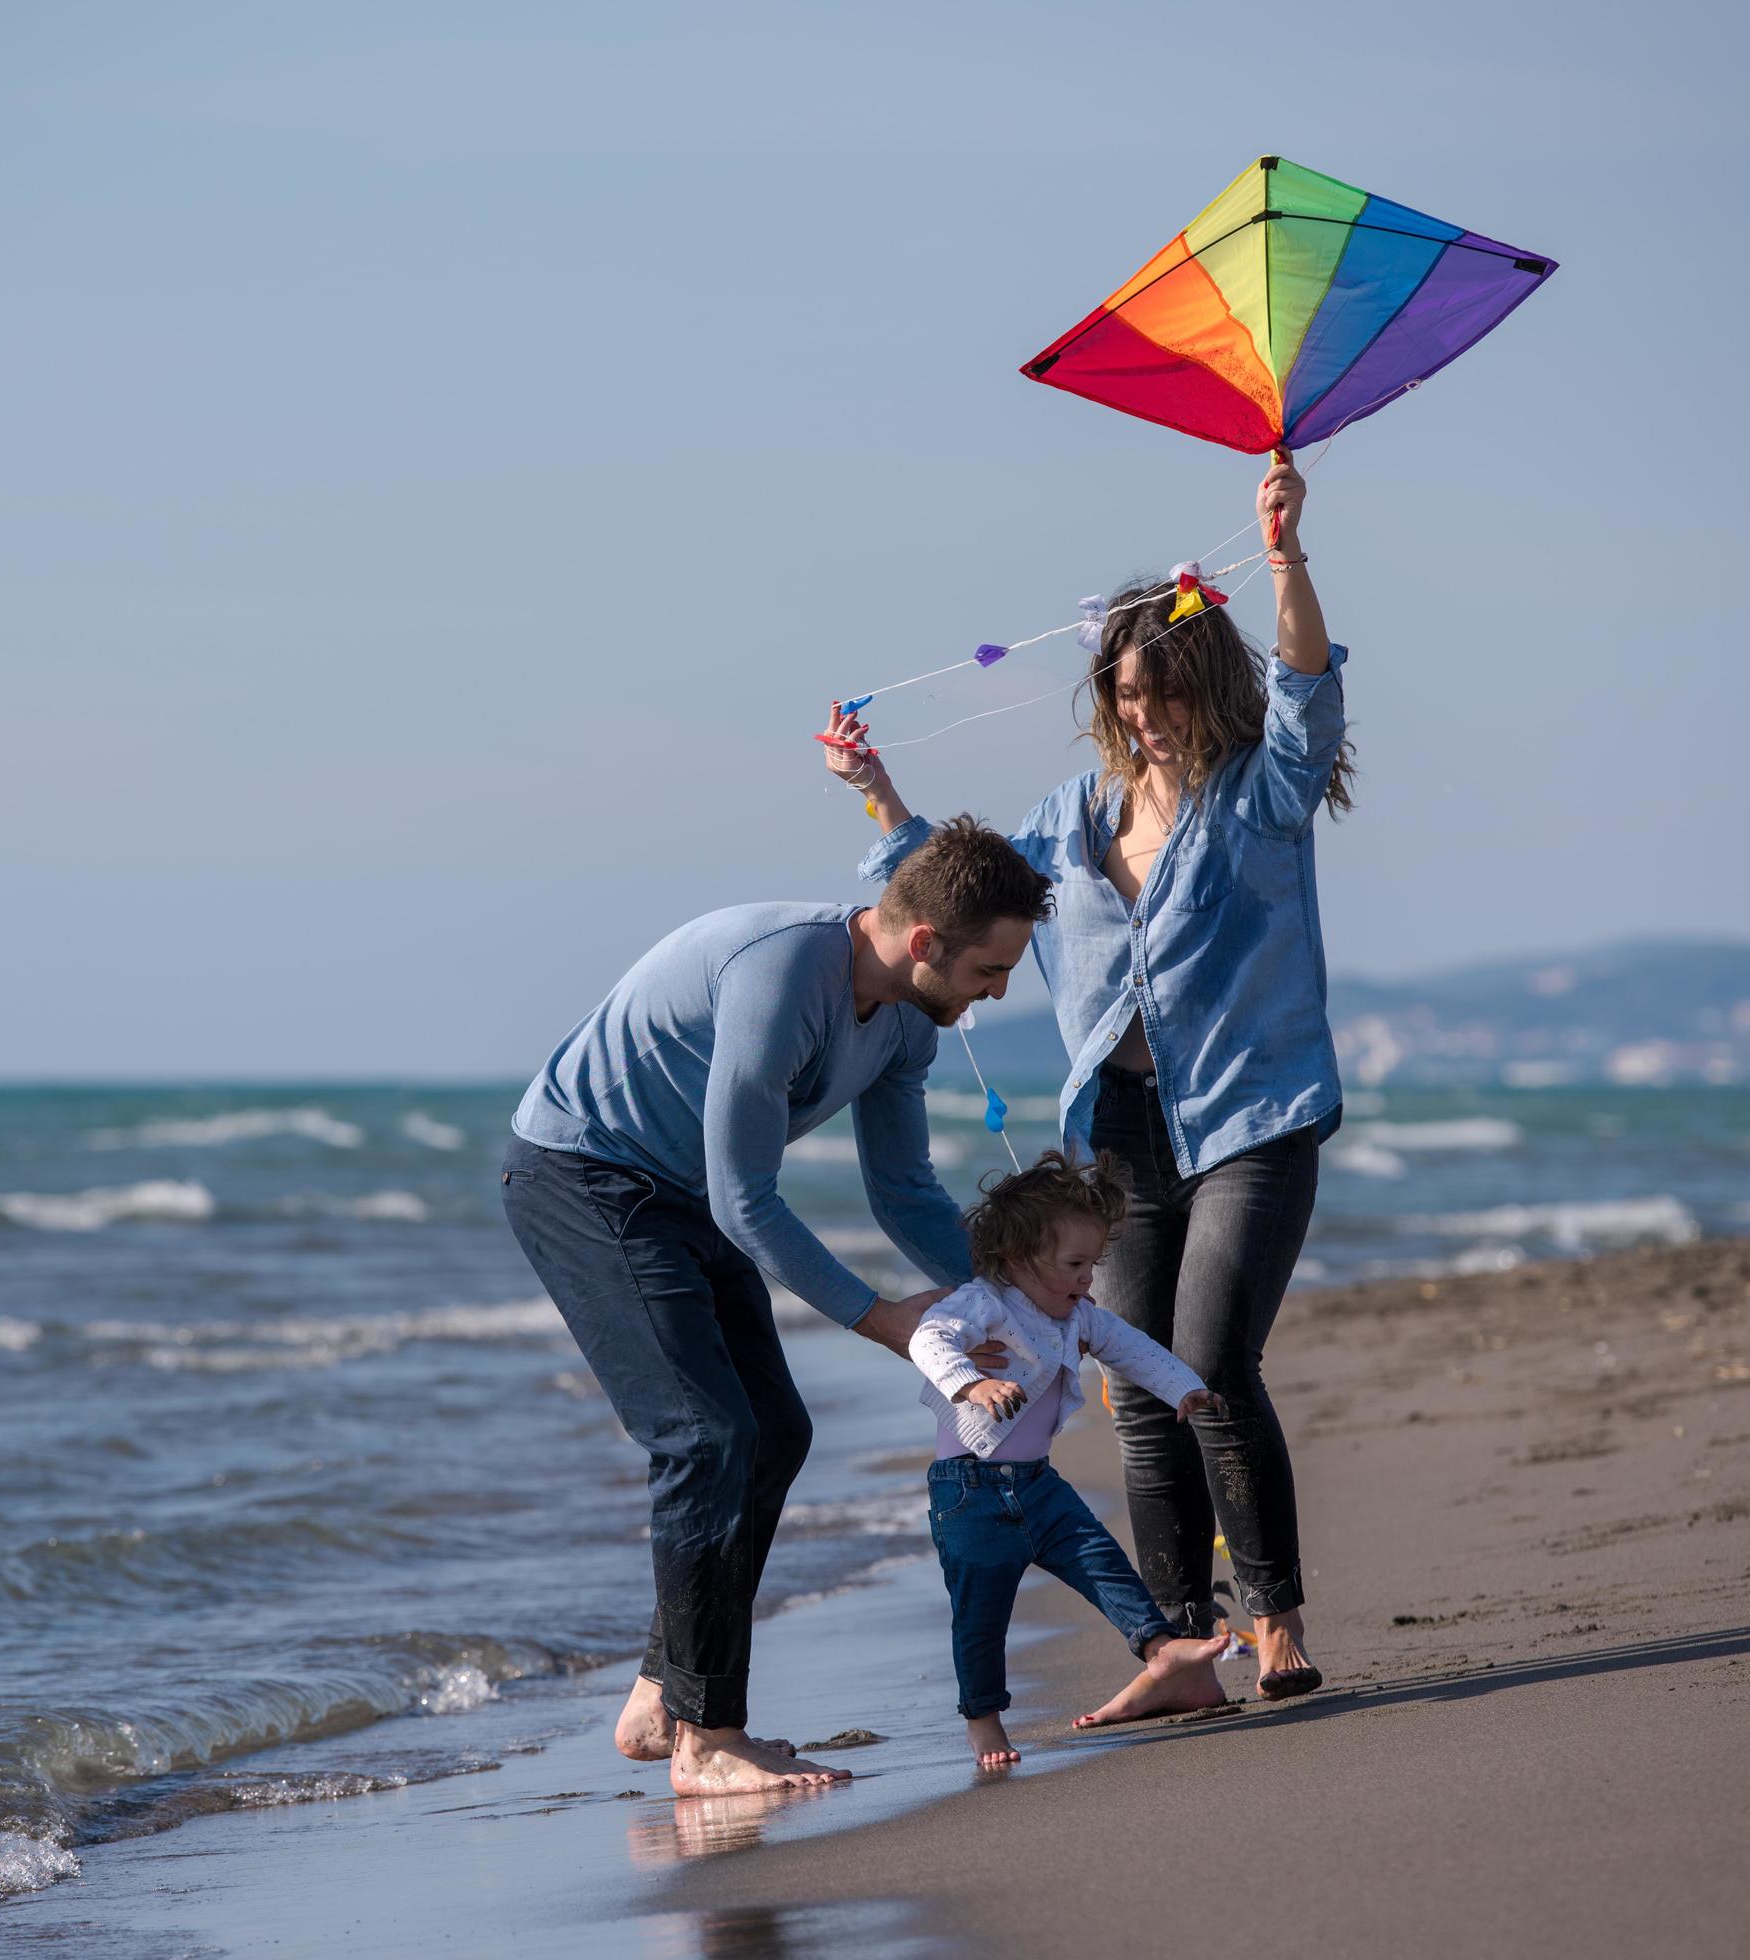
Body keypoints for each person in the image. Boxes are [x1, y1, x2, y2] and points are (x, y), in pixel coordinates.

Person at [820, 451, 1352, 1711]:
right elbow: (973, 886)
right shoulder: (1072, 816)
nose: (1148, 715)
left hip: (1251, 1116)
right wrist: (880, 793)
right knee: (1128, 1386)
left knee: (1209, 1357)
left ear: (1202, 685)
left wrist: (1283, 556)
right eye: (1128, 694)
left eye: (1164, 692)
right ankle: (1180, 1646)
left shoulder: (1257, 797)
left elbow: (1313, 701)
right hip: (1115, 1131)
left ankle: (1271, 1618)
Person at [500, 819, 1052, 1796]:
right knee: (705, 1436)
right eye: (991, 968)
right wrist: (886, 1319)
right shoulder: (783, 975)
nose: (999, 991)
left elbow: (905, 1192)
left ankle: (665, 1692)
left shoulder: (909, 1021)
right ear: (925, 942)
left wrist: (1017, 1296)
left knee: (775, 1431)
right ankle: (708, 1740)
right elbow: (745, 1198)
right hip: (586, 1174)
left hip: (682, 1191)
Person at [907, 1152, 1232, 1767]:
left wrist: (1182, 1386)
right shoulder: (987, 1303)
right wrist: (969, 1383)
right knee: (981, 1613)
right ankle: (985, 1724)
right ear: (1016, 1259)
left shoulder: (1076, 1312)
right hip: (969, 1491)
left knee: (1103, 1563)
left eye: (1094, 1263)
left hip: (1037, 1485)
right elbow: (930, 1334)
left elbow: (1130, 1345)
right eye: (1074, 1264)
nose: (1088, 1278)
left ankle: (1161, 1649)